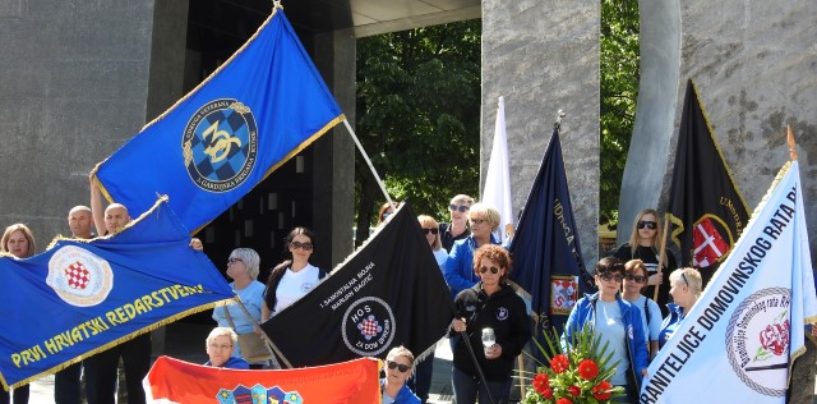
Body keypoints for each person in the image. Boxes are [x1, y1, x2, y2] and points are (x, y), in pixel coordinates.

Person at [449, 245, 530, 404]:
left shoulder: (514, 302)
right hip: (465, 368)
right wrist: (453, 326)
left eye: (493, 269)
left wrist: (503, 349)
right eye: (483, 269)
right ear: (477, 270)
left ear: (502, 271)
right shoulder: (464, 297)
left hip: (497, 372)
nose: (488, 274)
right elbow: (447, 328)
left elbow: (523, 335)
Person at [564, 257, 649, 402]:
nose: (613, 281)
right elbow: (566, 338)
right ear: (597, 279)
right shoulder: (582, 306)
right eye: (607, 276)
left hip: (621, 386)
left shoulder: (631, 311)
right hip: (588, 384)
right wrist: (569, 354)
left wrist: (642, 366)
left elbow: (640, 344)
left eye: (617, 277)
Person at [51, 206, 95, 404]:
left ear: (92, 221)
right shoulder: (58, 248)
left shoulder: (101, 244)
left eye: (82, 218)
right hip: (66, 323)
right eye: (73, 219)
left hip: (96, 320)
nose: (77, 223)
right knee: (65, 376)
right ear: (68, 221)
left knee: (95, 377)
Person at [613, 209, 677, 316]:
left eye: (650, 225)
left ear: (657, 228)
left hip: (657, 312)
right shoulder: (625, 251)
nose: (645, 228)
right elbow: (615, 280)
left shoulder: (665, 255)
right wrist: (646, 282)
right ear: (636, 226)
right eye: (641, 224)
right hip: (629, 310)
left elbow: (674, 285)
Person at [212, 248, 267, 368]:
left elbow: (268, 322)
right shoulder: (224, 289)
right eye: (228, 260)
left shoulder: (261, 291)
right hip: (221, 355)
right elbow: (217, 318)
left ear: (248, 264)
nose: (228, 263)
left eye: (233, 260)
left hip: (249, 357)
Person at [0, 224, 35, 404]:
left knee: (22, 386)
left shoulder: (37, 268)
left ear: (29, 243)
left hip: (25, 335)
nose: (16, 245)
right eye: (11, 241)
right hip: (2, 336)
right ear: (5, 244)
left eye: (21, 240)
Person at [262, 227, 327, 320]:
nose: (301, 249)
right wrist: (264, 323)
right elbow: (267, 300)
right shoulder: (278, 272)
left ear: (311, 250)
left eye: (306, 246)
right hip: (277, 331)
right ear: (290, 247)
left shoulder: (321, 275)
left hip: (305, 331)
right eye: (296, 244)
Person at [444, 203, 500, 299]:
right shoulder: (460, 246)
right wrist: (477, 289)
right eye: (472, 220)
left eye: (479, 221)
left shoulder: (501, 248)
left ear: (492, 223)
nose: (474, 224)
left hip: (494, 302)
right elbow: (450, 275)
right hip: (465, 303)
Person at [622, 259, 663, 360]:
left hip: (639, 360)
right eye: (629, 276)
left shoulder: (650, 306)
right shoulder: (610, 302)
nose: (633, 281)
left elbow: (655, 345)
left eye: (638, 279)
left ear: (644, 282)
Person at [658, 268, 702, 349]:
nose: (670, 292)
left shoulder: (705, 320)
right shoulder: (672, 314)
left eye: (672, 287)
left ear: (684, 289)